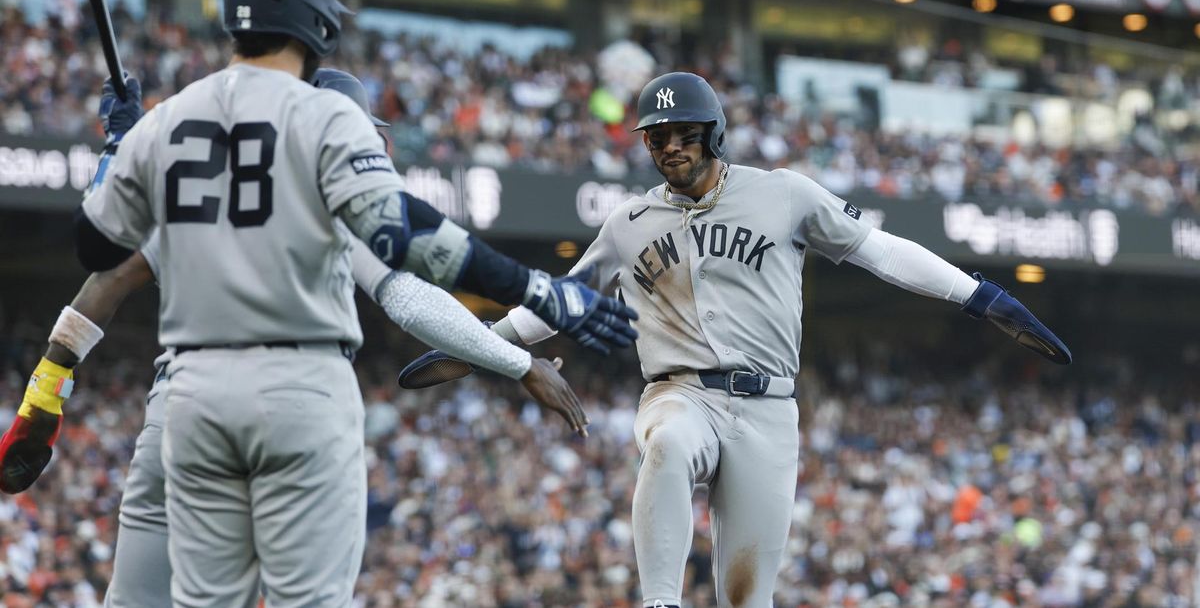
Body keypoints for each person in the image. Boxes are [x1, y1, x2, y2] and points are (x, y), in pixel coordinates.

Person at [67, 0, 634, 606]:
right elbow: (407, 261)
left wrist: (120, 149)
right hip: (297, 392)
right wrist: (536, 296)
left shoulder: (172, 124)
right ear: (317, 25)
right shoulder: (321, 119)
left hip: (189, 399)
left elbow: (96, 250)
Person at [398, 71, 1071, 608]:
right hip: (679, 391)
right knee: (667, 443)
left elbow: (880, 250)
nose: (670, 147)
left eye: (683, 134)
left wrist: (979, 296)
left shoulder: (784, 194)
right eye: (657, 138)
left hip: (768, 408)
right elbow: (561, 302)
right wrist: (478, 345)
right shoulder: (628, 222)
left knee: (748, 596)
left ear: (714, 134)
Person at [0, 67, 587, 605]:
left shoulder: (204, 185)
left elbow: (108, 271)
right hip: (291, 406)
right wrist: (520, 363)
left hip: (183, 407)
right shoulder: (333, 192)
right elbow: (408, 298)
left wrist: (45, 390)